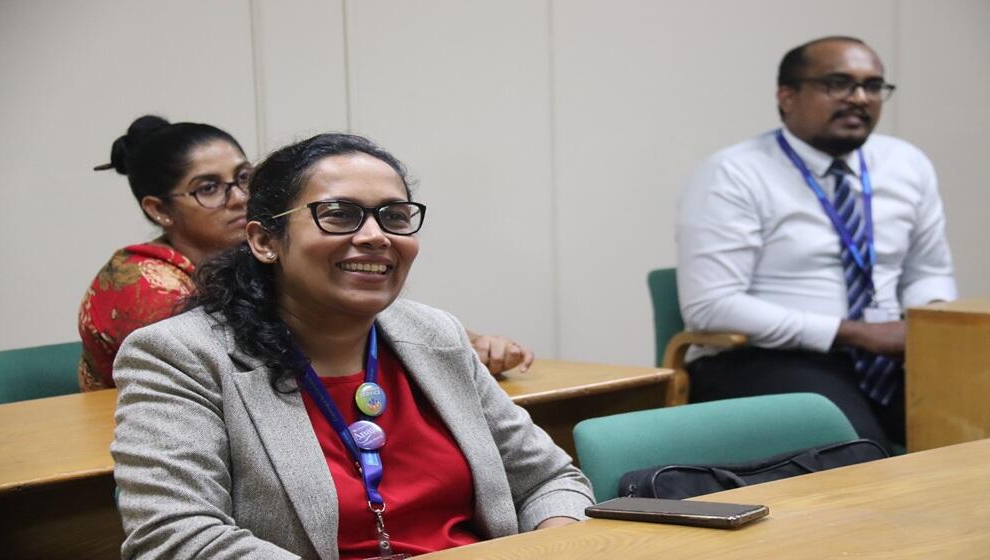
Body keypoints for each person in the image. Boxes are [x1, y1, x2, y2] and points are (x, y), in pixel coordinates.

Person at [110, 133, 594, 559]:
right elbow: (174, 537)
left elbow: (551, 482)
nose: (374, 237)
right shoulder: (179, 355)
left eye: (394, 216)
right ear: (264, 241)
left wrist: (551, 546)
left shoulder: (435, 335)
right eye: (338, 215)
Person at [79, 117, 533, 391]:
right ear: (159, 210)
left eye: (244, 177)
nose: (238, 197)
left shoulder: (266, 266)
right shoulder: (145, 290)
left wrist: (461, 343)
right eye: (209, 188)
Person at [675, 36, 957, 453]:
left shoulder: (906, 164)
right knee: (859, 452)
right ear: (787, 96)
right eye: (838, 84)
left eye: (873, 86)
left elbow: (928, 270)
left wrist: (930, 325)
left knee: (970, 421)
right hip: (766, 358)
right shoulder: (734, 173)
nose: (859, 98)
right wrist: (856, 333)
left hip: (891, 358)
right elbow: (710, 305)